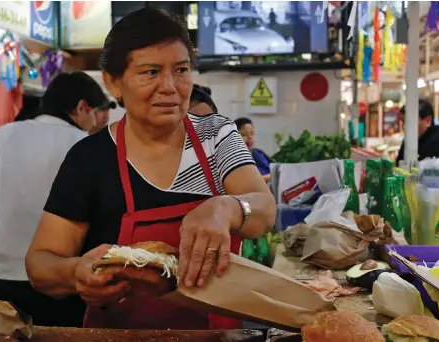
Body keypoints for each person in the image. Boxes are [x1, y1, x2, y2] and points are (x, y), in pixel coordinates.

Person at [25, 8, 275, 330]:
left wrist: (227, 207)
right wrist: (74, 272)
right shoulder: (90, 157)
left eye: (181, 70)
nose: (170, 86)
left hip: (217, 334)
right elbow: (40, 263)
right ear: (113, 83)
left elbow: (265, 209)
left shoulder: (216, 134)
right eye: (150, 72)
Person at [0, 71, 109, 327]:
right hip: (67, 279)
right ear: (82, 107)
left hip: (8, 280)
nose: (94, 122)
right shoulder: (86, 145)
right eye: (94, 114)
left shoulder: (2, 136)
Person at [396, 99, 439, 165]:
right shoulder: (410, 140)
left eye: (410, 122)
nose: (404, 126)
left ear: (428, 121)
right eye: (403, 121)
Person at [234, 117, 272, 183]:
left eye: (252, 133)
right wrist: (271, 177)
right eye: (244, 134)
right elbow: (247, 182)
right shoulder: (234, 159)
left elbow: (275, 169)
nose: (250, 137)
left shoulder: (260, 153)